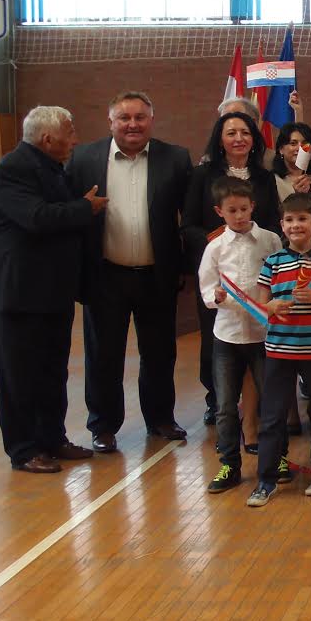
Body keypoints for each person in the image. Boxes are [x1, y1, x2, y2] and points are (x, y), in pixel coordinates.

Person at [66, 91, 193, 453]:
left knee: (159, 353)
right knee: (103, 356)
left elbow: (189, 218)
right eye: (124, 118)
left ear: (152, 120)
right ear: (111, 122)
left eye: (140, 117)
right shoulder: (84, 159)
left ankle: (161, 419)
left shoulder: (175, 158)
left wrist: (185, 269)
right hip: (105, 276)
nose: (132, 124)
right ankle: (103, 426)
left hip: (157, 275)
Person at [0, 106, 105, 473]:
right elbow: (36, 217)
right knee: (20, 376)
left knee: (53, 372)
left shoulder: (54, 168)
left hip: (54, 291)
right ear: (47, 138)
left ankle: (52, 438)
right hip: (20, 294)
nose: (75, 139)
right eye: (70, 133)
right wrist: (84, 208)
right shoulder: (14, 168)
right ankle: (24, 450)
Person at [182, 112, 281, 426]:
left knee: (259, 345)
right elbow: (189, 225)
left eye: (245, 132)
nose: (239, 138)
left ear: (254, 138)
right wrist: (219, 240)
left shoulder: (265, 177)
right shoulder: (203, 174)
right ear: (220, 139)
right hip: (220, 273)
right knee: (216, 343)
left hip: (258, 270)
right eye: (231, 132)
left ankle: (257, 411)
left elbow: (272, 223)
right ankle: (217, 401)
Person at [247, 193, 311, 507]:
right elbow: (259, 310)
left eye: (302, 219)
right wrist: (272, 306)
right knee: (272, 416)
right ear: (281, 225)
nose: (295, 225)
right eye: (289, 220)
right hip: (279, 350)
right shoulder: (273, 262)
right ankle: (266, 479)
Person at [197, 178, 282, 493]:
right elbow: (207, 286)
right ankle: (229, 465)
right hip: (227, 336)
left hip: (263, 334)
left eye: (244, 209)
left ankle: (277, 459)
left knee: (271, 401)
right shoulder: (215, 247)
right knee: (225, 405)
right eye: (232, 210)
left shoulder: (270, 240)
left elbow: (281, 275)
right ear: (220, 211)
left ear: (253, 207)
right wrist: (215, 296)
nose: (239, 215)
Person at [271, 122, 311, 212]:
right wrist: (296, 197)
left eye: (305, 144)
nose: (300, 148)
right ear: (281, 149)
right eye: (293, 143)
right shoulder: (271, 181)